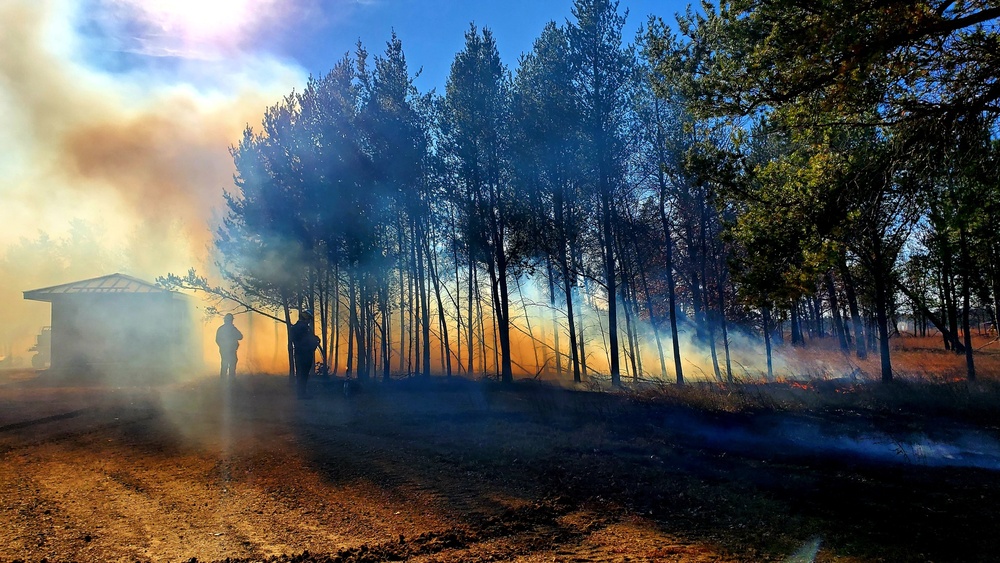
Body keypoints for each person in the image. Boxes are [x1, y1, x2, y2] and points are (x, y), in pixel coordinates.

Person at [289, 309, 320, 398]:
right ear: (306, 318)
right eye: (309, 319)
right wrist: (316, 341)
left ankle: (301, 393)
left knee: (300, 374)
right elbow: (308, 341)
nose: (309, 321)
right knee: (304, 375)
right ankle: (302, 394)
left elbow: (293, 340)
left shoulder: (295, 328)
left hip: (298, 353)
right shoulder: (304, 329)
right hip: (305, 354)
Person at [215, 313, 243, 380]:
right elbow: (240, 336)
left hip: (224, 350)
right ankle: (231, 379)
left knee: (225, 363)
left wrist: (222, 346)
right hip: (231, 350)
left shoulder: (221, 329)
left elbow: (217, 340)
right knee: (232, 363)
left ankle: (223, 379)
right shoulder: (233, 329)